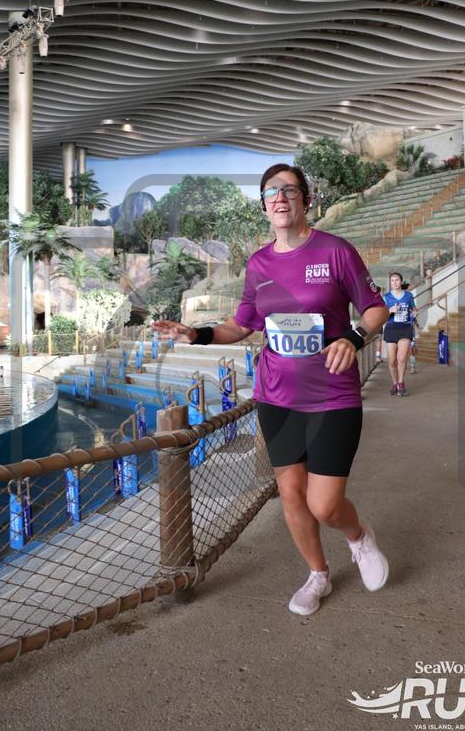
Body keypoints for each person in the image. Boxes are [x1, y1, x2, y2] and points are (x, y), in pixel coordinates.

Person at [153, 163, 390, 616]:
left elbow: (376, 309)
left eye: (289, 190)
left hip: (332, 396)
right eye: (270, 192)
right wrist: (196, 334)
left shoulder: (335, 251)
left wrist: (353, 337)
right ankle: (318, 574)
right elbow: (241, 325)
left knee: (325, 504)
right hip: (278, 397)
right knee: (292, 496)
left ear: (306, 199)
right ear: (264, 206)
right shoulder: (259, 264)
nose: (279, 198)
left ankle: (359, 537)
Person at [382, 272, 418, 396]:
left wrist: (415, 313)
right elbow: (381, 315)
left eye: (397, 280)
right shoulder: (386, 297)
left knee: (401, 358)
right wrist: (389, 311)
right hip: (391, 328)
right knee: (392, 361)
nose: (395, 282)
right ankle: (395, 383)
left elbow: (414, 309)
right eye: (392, 280)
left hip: (405, 328)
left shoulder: (408, 295)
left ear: (401, 281)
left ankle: (401, 383)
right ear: (390, 283)